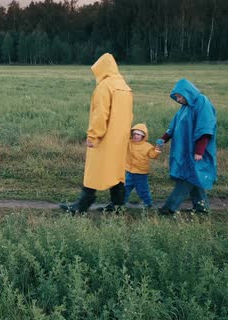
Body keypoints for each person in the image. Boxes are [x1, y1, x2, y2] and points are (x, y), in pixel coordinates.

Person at [60, 53, 133, 214]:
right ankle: (118, 206)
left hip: (105, 138)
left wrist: (93, 135)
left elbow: (100, 114)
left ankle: (82, 205)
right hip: (120, 139)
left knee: (94, 171)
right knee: (116, 172)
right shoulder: (124, 86)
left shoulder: (105, 86)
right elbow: (129, 115)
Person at [158, 78, 217, 215]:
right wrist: (163, 139)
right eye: (176, 97)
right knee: (193, 177)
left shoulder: (202, 102)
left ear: (187, 92)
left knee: (186, 178)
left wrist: (199, 151)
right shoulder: (184, 107)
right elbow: (173, 126)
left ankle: (168, 208)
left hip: (196, 151)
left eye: (179, 96)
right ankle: (202, 209)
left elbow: (205, 127)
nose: (178, 99)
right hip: (184, 150)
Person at [122, 123, 162, 209]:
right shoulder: (129, 143)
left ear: (143, 136)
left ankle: (148, 203)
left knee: (142, 189)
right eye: (134, 134)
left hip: (141, 173)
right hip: (130, 171)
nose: (136, 136)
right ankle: (121, 203)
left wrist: (158, 147)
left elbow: (153, 156)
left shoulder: (147, 146)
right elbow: (122, 138)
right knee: (126, 188)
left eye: (139, 134)